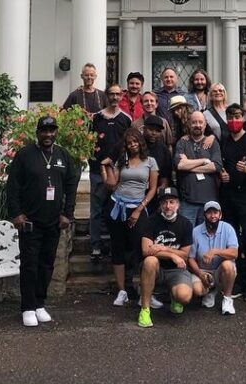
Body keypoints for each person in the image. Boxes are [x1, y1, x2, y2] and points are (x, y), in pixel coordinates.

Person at [5, 115, 80, 327]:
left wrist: (67, 213)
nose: (48, 135)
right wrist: (16, 213)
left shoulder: (62, 155)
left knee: (47, 264)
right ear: (37, 133)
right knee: (30, 265)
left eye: (51, 131)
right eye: (44, 131)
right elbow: (12, 187)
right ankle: (27, 307)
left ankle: (39, 303)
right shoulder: (25, 155)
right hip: (30, 221)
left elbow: (71, 186)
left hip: (53, 222)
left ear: (56, 133)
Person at [101, 129, 158, 307]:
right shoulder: (122, 161)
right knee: (117, 248)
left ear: (140, 142)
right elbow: (111, 184)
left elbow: (152, 189)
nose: (132, 145)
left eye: (135, 142)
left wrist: (139, 210)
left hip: (137, 208)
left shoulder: (150, 162)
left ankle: (144, 292)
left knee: (140, 250)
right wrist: (106, 167)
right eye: (129, 143)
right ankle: (122, 291)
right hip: (117, 206)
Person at [219, 103, 246, 302]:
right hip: (227, 196)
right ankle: (234, 280)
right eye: (230, 117)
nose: (233, 121)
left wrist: (245, 170)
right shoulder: (224, 140)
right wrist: (223, 175)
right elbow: (220, 164)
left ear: (243, 117)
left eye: (237, 116)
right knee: (231, 239)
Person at [137, 186, 198, 328]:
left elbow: (185, 254)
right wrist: (173, 255)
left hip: (177, 270)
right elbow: (146, 251)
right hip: (156, 268)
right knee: (150, 260)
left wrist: (164, 249)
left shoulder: (186, 224)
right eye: (164, 202)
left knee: (184, 297)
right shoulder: (151, 221)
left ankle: (174, 296)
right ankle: (145, 310)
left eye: (171, 202)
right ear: (160, 205)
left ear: (178, 204)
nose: (168, 206)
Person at [88, 86, 133, 259]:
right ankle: (96, 246)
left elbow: (129, 145)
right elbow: (88, 141)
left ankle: (117, 245)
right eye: (111, 94)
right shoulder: (96, 118)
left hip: (120, 173)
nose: (114, 97)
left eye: (117, 94)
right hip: (97, 171)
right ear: (106, 96)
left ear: (121, 96)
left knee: (118, 209)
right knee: (96, 210)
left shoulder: (126, 119)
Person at [188, 201, 240, 315]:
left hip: (219, 270)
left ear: (220, 215)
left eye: (215, 213)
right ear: (204, 215)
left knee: (228, 265)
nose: (213, 216)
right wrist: (200, 274)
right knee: (197, 290)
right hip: (202, 270)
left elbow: (234, 253)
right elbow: (190, 258)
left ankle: (227, 299)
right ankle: (210, 292)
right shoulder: (195, 231)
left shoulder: (228, 228)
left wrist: (215, 251)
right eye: (209, 213)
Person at [175, 110, 223, 225]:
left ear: (205, 125)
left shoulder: (213, 143)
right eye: (194, 122)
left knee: (207, 237)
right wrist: (204, 161)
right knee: (187, 237)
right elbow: (180, 165)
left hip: (209, 201)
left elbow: (216, 166)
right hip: (187, 201)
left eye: (200, 122)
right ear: (189, 124)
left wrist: (189, 165)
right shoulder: (182, 142)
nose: (197, 125)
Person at [141, 114, 173, 197]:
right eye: (151, 129)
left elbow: (165, 174)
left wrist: (163, 185)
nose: (154, 133)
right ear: (144, 129)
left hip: (155, 190)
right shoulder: (136, 144)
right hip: (134, 188)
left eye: (158, 131)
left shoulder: (164, 150)